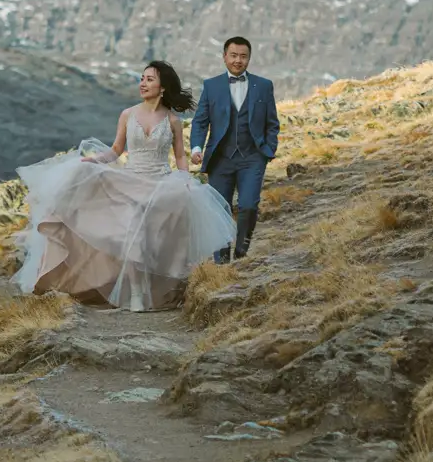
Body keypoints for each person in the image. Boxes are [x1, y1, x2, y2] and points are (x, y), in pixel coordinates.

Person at [14, 60, 236, 310]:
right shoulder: (128, 114)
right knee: (133, 234)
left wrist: (185, 178)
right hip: (130, 181)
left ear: (163, 87)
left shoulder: (172, 120)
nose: (143, 83)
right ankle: (137, 293)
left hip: (161, 183)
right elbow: (116, 150)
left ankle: (155, 287)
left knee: (154, 238)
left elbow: (180, 156)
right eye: (142, 78)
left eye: (149, 79)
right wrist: (96, 161)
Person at [189, 36, 280, 260]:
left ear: (249, 58)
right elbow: (200, 121)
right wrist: (196, 147)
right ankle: (221, 262)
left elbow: (272, 123)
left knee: (249, 205)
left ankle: (241, 253)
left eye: (243, 56)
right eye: (233, 55)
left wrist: (268, 151)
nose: (238, 60)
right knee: (219, 210)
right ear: (224, 57)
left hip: (253, 157)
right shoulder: (211, 86)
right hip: (220, 159)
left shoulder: (264, 86)